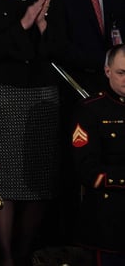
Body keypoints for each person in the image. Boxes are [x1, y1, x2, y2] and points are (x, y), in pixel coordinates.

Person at [0, 0, 67, 265]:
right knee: (2, 179)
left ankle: (24, 254)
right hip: (0, 96)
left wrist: (41, 26)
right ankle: (5, 258)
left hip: (41, 96)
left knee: (38, 181)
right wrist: (24, 23)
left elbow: (59, 50)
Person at [71, 44, 125, 266]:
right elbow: (86, 169)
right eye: (121, 73)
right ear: (107, 71)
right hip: (108, 222)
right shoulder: (91, 110)